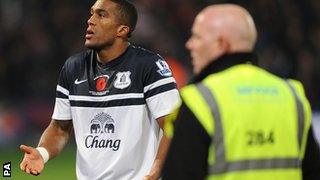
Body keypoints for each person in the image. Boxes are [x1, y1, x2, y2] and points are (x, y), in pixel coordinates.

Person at [19, 0, 180, 179]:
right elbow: (59, 128)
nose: (90, 20)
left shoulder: (148, 66)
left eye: (101, 15)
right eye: (92, 13)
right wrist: (42, 153)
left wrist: (156, 171)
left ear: (122, 30)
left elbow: (173, 125)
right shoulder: (73, 67)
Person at [162, 4, 320, 180]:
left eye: (197, 37)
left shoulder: (199, 100)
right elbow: (313, 172)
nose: (189, 44)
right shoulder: (292, 95)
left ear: (221, 44)